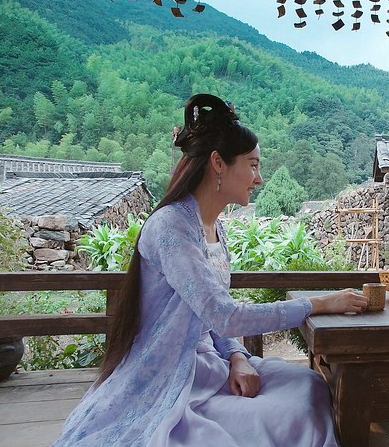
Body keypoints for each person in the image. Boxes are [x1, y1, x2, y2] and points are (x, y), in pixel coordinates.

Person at [53, 94, 368, 447]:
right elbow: (225, 315)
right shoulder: (171, 227)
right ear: (218, 162)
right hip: (174, 375)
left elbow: (211, 317)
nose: (259, 179)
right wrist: (318, 304)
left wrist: (236, 356)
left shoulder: (215, 228)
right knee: (287, 416)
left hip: (212, 364)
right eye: (252, 165)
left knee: (308, 385)